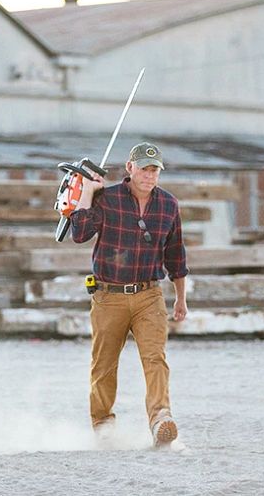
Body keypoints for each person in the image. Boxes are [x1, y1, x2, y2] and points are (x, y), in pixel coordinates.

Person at [69, 142, 189, 448]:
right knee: (104, 364)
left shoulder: (169, 205)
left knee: (155, 359)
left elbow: (176, 255)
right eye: (144, 169)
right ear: (130, 168)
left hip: (150, 294)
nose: (149, 176)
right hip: (108, 295)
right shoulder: (107, 199)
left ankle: (161, 418)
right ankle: (103, 426)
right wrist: (88, 192)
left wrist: (181, 298)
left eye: (154, 170)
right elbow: (79, 233)